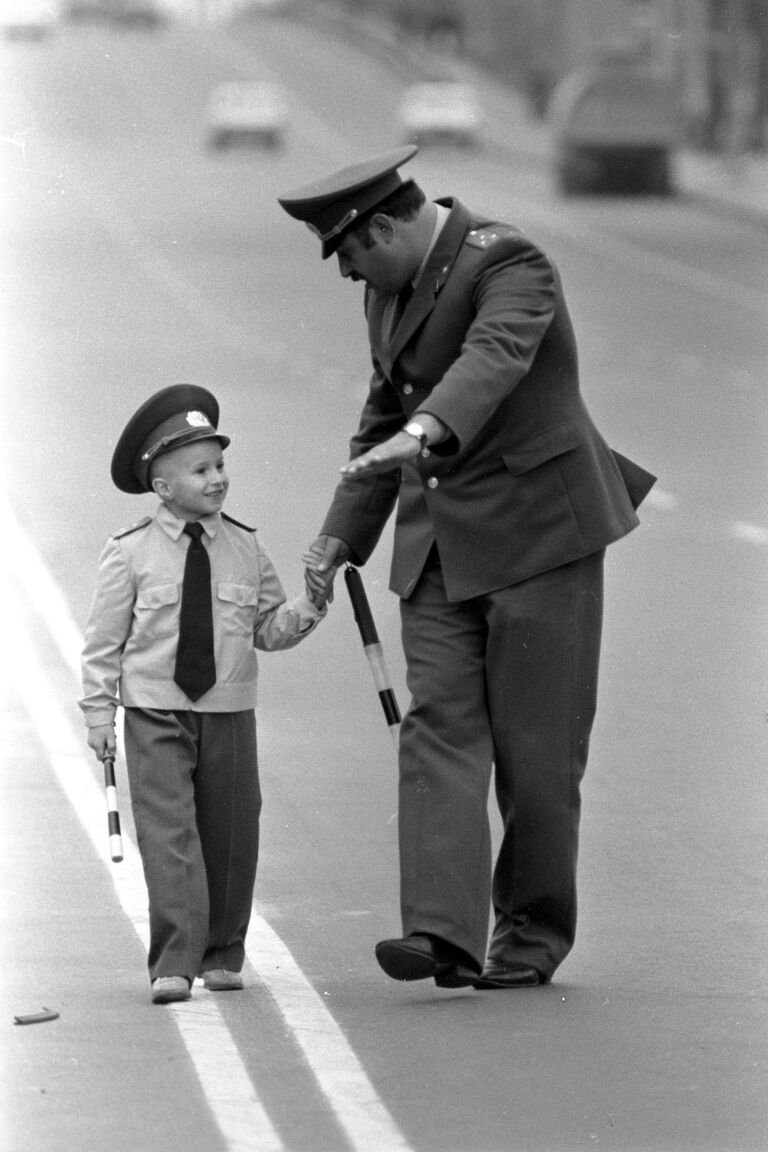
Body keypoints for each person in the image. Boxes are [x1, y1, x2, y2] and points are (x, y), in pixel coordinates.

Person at [278, 147, 656, 990]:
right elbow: (384, 406)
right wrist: (341, 534)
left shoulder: (509, 261)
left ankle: (528, 938)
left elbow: (494, 359)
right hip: (439, 547)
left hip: (539, 539)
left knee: (538, 750)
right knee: (438, 726)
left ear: (385, 224)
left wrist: (424, 436)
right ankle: (441, 933)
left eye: (349, 252)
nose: (345, 274)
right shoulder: (385, 288)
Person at [79, 384, 329, 1004]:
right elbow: (103, 642)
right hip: (155, 712)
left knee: (231, 833)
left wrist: (312, 604)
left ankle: (222, 951)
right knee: (168, 835)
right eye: (201, 470)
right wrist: (97, 714)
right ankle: (173, 961)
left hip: (228, 712)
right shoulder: (129, 552)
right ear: (163, 487)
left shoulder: (246, 546)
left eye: (220, 465)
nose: (217, 479)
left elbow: (267, 628)